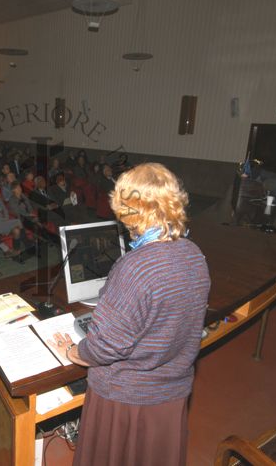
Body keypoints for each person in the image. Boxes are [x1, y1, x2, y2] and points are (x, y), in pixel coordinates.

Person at [46, 162, 211, 466]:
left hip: (125, 400)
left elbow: (104, 348)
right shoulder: (194, 255)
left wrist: (72, 351)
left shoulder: (134, 268)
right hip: (170, 396)